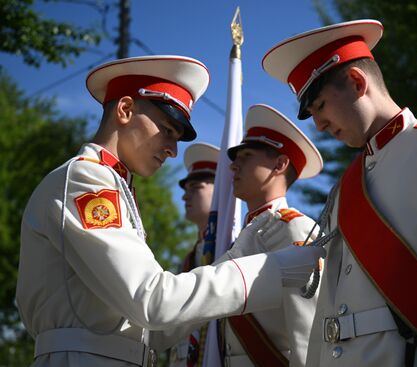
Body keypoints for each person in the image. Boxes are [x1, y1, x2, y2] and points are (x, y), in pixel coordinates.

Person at [15, 55, 325, 367]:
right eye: (166, 130)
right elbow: (153, 302)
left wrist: (238, 253)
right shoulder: (87, 179)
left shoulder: (111, 183)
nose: (172, 150)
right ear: (124, 110)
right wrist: (277, 269)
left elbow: (155, 331)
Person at [262, 19, 417, 366]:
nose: (319, 125)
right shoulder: (344, 188)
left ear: (356, 82)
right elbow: (327, 313)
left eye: (320, 105)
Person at [213, 103, 323, 367]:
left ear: (280, 164)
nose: (233, 168)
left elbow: (308, 336)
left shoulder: (295, 229)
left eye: (246, 157)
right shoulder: (244, 235)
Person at [169, 142, 219, 367]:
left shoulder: (237, 251)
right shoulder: (189, 259)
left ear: (221, 191)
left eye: (195, 188)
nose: (184, 197)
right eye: (185, 190)